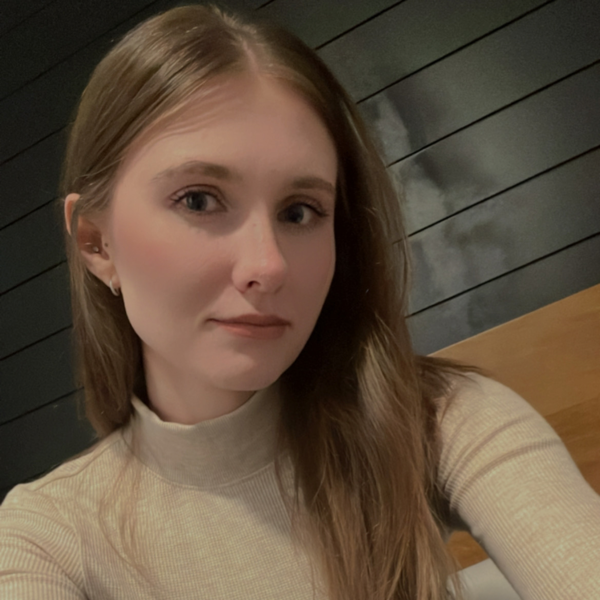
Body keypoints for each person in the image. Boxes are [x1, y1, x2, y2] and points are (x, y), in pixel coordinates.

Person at [1, 5, 599, 599]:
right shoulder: (45, 537)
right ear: (96, 242)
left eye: (300, 211)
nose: (268, 266)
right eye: (199, 200)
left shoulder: (442, 422)